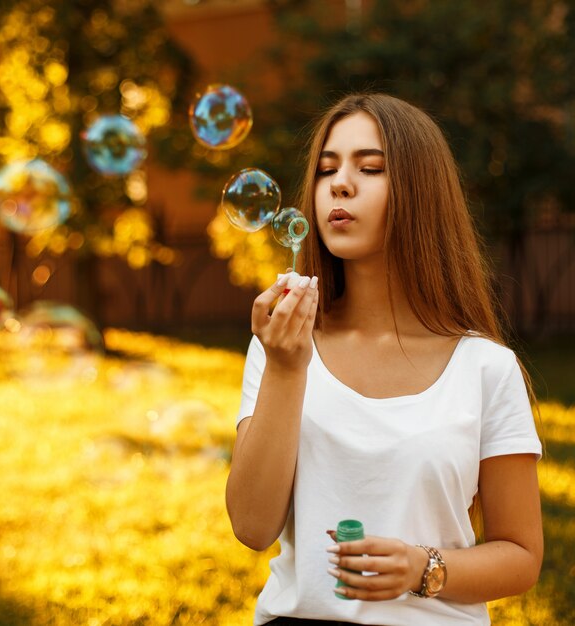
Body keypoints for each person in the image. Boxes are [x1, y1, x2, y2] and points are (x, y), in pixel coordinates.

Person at [225, 93, 543, 626]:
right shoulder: (282, 346)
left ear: (422, 193)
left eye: (369, 167)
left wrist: (425, 569)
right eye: (327, 169)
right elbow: (252, 528)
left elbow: (521, 556)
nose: (339, 184)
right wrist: (285, 367)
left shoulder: (486, 367)